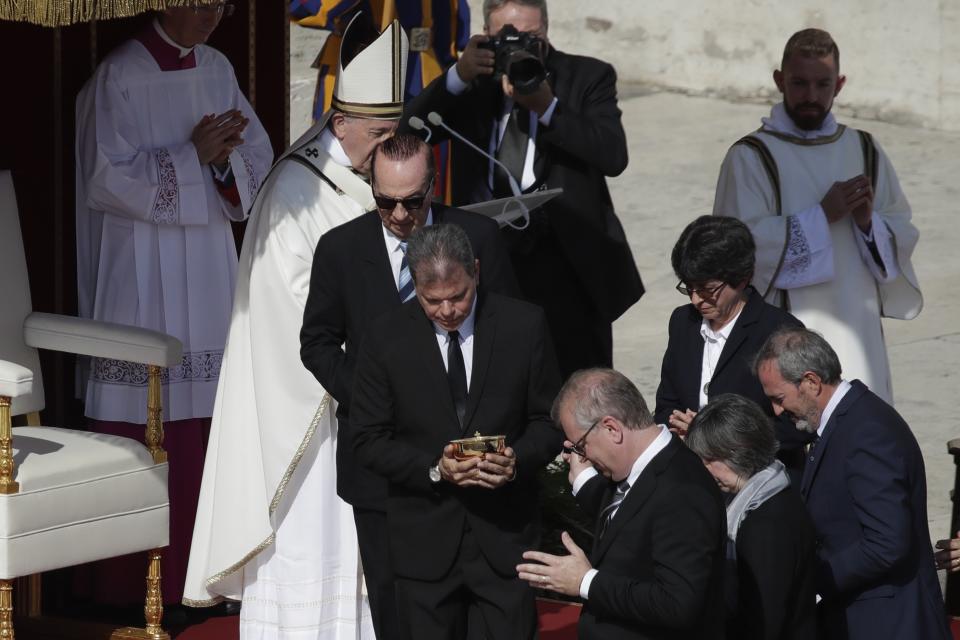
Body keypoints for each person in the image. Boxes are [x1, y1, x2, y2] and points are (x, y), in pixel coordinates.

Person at [182, 17, 408, 639]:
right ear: (340, 126)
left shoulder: (369, 181)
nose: (391, 147)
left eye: (396, 131)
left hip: (370, 403)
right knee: (319, 541)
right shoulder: (294, 192)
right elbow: (293, 308)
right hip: (316, 416)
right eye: (380, 133)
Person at [74, 3, 274, 605]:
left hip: (209, 264)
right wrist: (194, 157)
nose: (214, 14)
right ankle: (131, 589)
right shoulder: (119, 76)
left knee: (209, 415)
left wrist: (220, 166)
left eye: (223, 3)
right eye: (202, 0)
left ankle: (210, 579)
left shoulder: (217, 69)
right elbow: (105, 178)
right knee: (145, 416)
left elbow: (257, 160)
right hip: (141, 274)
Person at [299, 132, 519, 639]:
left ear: (434, 183)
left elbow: (512, 332)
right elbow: (318, 342)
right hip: (383, 469)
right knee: (396, 610)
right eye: (385, 201)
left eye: (414, 201)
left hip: (472, 460)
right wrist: (373, 400)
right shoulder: (341, 249)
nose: (400, 215)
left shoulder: (479, 238)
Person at [402, 0, 643, 378]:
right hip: (489, 263)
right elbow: (409, 133)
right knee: (501, 378)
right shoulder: (472, 85)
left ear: (546, 30)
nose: (518, 47)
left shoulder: (587, 76)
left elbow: (613, 156)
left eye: (530, 37)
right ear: (485, 35)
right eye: (505, 38)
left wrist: (547, 107)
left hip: (568, 263)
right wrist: (457, 77)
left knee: (582, 386)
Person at [351, 224, 562, 640]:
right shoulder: (384, 338)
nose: (448, 310)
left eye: (459, 296)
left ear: (477, 272)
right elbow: (367, 438)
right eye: (433, 301)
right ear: (415, 284)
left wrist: (515, 460)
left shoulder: (524, 325)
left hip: (505, 542)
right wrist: (434, 470)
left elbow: (550, 421)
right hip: (424, 546)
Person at [713, 28, 922, 405]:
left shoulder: (865, 148)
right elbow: (737, 250)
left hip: (857, 327)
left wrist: (866, 225)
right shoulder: (750, 157)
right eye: (799, 83)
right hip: (784, 331)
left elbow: (902, 230)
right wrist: (821, 217)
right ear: (779, 80)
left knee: (859, 427)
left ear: (839, 84)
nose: (811, 96)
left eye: (822, 84)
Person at [754, 327, 951, 639]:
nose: (777, 411)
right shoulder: (839, 424)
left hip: (890, 624)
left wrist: (814, 581)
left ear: (810, 382)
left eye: (779, 399)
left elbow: (887, 542)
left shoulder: (866, 433)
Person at [517, 368, 725, 640]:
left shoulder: (683, 491)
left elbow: (677, 604)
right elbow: (626, 517)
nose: (583, 455)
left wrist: (585, 581)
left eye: (581, 445)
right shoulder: (639, 470)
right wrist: (582, 478)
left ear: (612, 428)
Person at [655, 215, 808, 475]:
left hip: (759, 477)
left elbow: (800, 424)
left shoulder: (780, 332)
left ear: (742, 279)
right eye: (689, 288)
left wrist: (716, 436)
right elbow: (667, 405)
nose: (696, 300)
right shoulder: (683, 323)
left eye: (707, 289)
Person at [685, 393, 817, 639]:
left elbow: (765, 616)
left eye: (710, 459)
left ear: (738, 450)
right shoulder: (772, 489)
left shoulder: (766, 523)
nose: (703, 469)